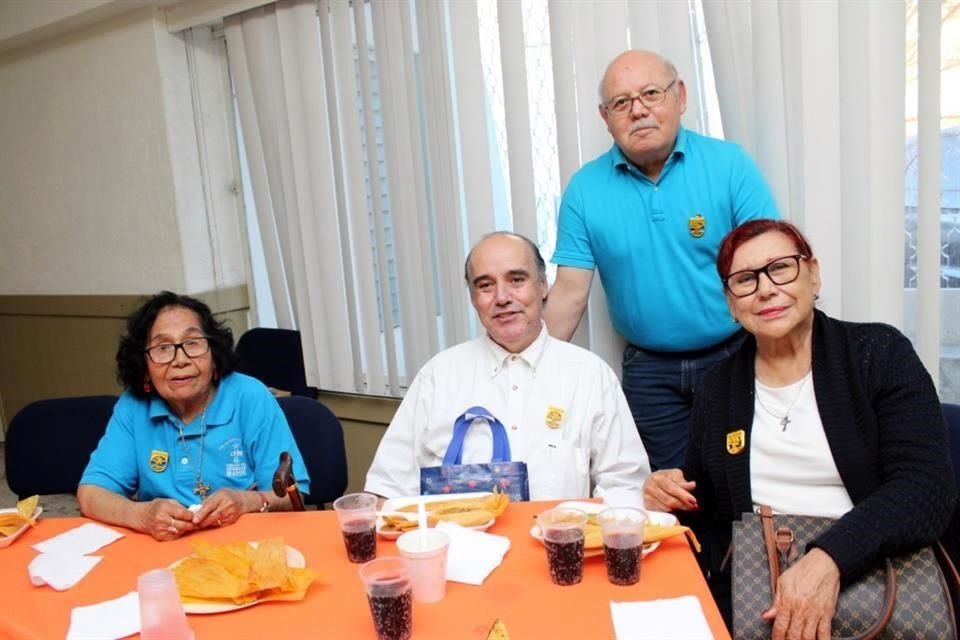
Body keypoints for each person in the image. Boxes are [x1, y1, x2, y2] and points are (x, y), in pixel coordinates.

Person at [643, 219, 955, 637]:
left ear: (813, 273)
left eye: (781, 268)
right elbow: (710, 518)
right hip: (756, 587)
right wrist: (670, 496)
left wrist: (828, 559)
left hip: (878, 572)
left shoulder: (878, 353)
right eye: (745, 279)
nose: (766, 288)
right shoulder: (718, 387)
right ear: (730, 302)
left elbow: (926, 488)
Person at [545, 49, 781, 471]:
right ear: (605, 116)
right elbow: (569, 294)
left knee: (743, 482)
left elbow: (770, 264)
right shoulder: (584, 190)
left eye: (651, 93)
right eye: (621, 103)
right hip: (648, 373)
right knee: (669, 494)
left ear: (680, 96)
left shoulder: (730, 166)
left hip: (733, 356)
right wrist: (526, 366)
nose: (638, 111)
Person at [365, 232, 650, 505]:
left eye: (516, 280)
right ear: (473, 298)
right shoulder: (438, 377)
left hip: (558, 548)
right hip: (457, 551)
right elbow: (388, 490)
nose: (502, 297)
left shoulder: (589, 376)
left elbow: (624, 484)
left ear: (543, 285)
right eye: (485, 285)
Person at [78, 291, 311, 541]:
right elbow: (91, 494)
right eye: (163, 348)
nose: (180, 360)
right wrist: (141, 515)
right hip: (163, 548)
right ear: (143, 365)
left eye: (192, 343)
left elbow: (292, 494)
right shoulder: (134, 406)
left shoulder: (250, 396)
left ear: (214, 354)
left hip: (247, 545)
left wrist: (246, 502)